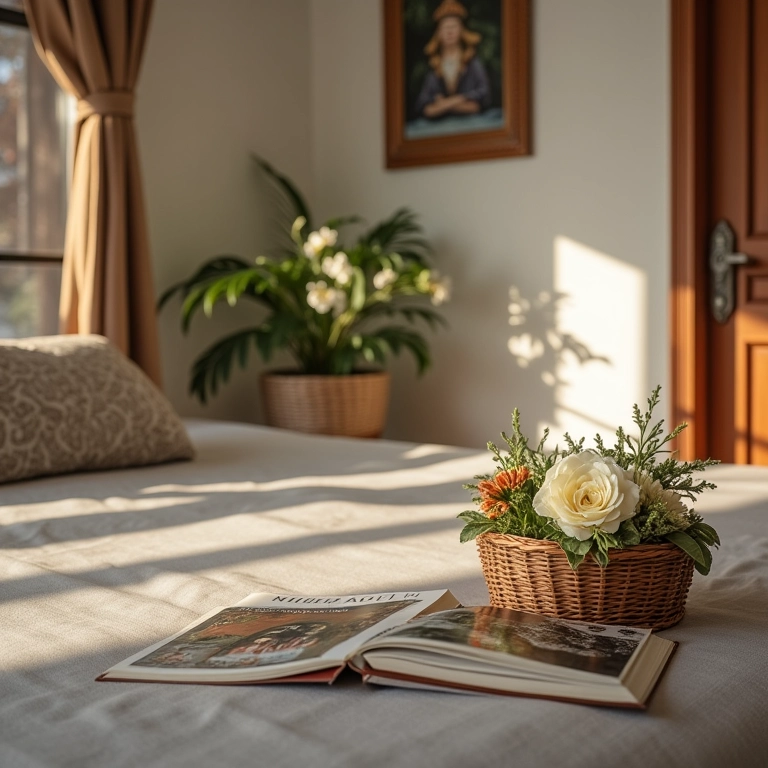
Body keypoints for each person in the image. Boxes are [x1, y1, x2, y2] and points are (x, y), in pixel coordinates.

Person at [414, 0, 492, 120]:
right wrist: (458, 104)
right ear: (439, 32)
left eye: (454, 26)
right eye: (445, 27)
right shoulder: (434, 66)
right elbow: (425, 106)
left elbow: (482, 96)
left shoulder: (472, 62)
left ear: (461, 30)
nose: (449, 32)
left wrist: (448, 103)